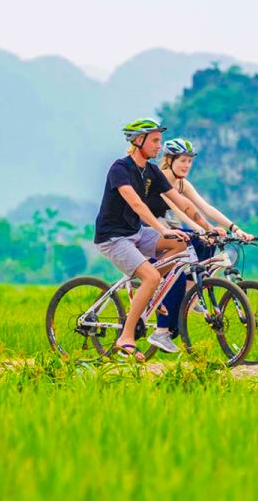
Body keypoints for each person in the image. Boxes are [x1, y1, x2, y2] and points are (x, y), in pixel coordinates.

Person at [93, 118, 220, 361]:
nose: (159, 146)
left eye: (159, 141)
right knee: (152, 274)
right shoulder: (120, 168)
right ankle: (126, 338)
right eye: (154, 141)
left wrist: (207, 228)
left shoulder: (150, 171)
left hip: (136, 234)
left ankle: (151, 289)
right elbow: (136, 204)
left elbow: (182, 202)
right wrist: (162, 230)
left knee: (182, 244)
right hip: (113, 237)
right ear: (138, 141)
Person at [144, 137, 256, 337]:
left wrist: (234, 228)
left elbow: (205, 207)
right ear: (169, 160)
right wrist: (202, 229)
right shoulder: (160, 178)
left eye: (189, 161)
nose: (187, 165)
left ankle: (191, 293)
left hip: (170, 228)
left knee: (208, 245)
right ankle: (175, 307)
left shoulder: (182, 184)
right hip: (151, 230)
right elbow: (181, 210)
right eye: (182, 160)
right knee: (196, 243)